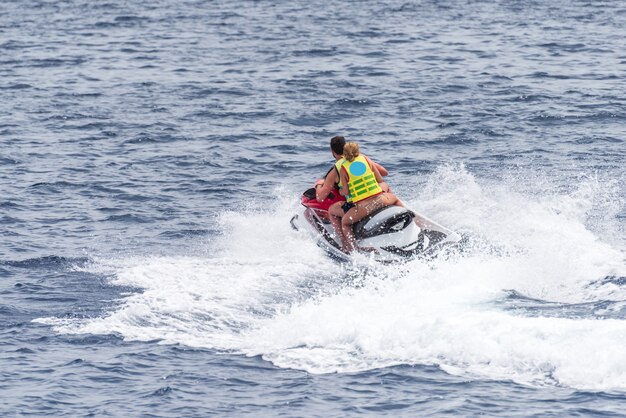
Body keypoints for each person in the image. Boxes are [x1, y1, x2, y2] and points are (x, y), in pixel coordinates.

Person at [314, 136, 390, 245]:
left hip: (358, 203)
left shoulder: (337, 169)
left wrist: (319, 185)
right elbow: (384, 172)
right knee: (384, 185)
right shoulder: (361, 157)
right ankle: (391, 205)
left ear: (333, 152)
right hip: (376, 197)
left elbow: (320, 198)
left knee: (332, 211)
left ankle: (345, 243)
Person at [338, 142, 401, 253]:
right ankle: (415, 220)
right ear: (357, 151)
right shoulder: (366, 159)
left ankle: (354, 250)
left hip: (364, 208)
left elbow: (346, 191)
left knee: (345, 223)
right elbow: (380, 179)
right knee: (395, 198)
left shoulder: (343, 169)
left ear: (344, 154)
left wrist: (341, 191)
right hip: (381, 200)